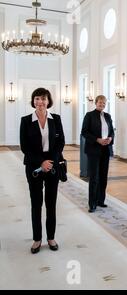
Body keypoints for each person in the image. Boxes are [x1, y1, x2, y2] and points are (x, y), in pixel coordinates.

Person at [20, 88, 65, 254]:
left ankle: (51, 237)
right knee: (36, 204)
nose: (40, 102)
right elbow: (24, 147)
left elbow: (61, 142)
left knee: (51, 204)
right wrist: (41, 162)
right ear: (33, 101)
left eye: (43, 99)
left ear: (48, 101)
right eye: (37, 99)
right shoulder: (25, 121)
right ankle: (37, 239)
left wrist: (50, 161)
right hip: (34, 166)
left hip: (52, 165)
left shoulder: (56, 119)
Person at [81, 95, 114, 213]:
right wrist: (97, 139)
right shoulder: (89, 115)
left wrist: (110, 138)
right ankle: (92, 203)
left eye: (104, 103)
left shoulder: (108, 116)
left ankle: (101, 200)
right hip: (93, 150)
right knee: (94, 177)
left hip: (106, 149)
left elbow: (111, 131)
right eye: (100, 102)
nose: (102, 105)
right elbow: (84, 132)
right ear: (96, 103)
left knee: (103, 177)